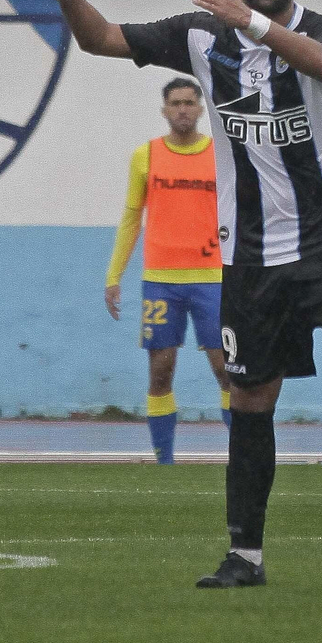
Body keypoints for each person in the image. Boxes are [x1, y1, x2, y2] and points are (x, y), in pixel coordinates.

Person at [32, 0, 322, 589]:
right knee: (251, 398)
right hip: (249, 256)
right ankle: (246, 555)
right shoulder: (199, 36)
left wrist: (253, 23)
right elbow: (101, 39)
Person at [104, 78, 232, 465]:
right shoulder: (146, 156)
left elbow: (242, 211)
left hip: (213, 280)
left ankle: (244, 455)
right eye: (175, 103)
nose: (183, 110)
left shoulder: (220, 156)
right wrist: (114, 276)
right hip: (161, 281)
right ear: (164, 110)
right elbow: (131, 218)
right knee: (160, 371)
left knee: (227, 370)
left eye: (190, 103)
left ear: (200, 108)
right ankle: (164, 461)